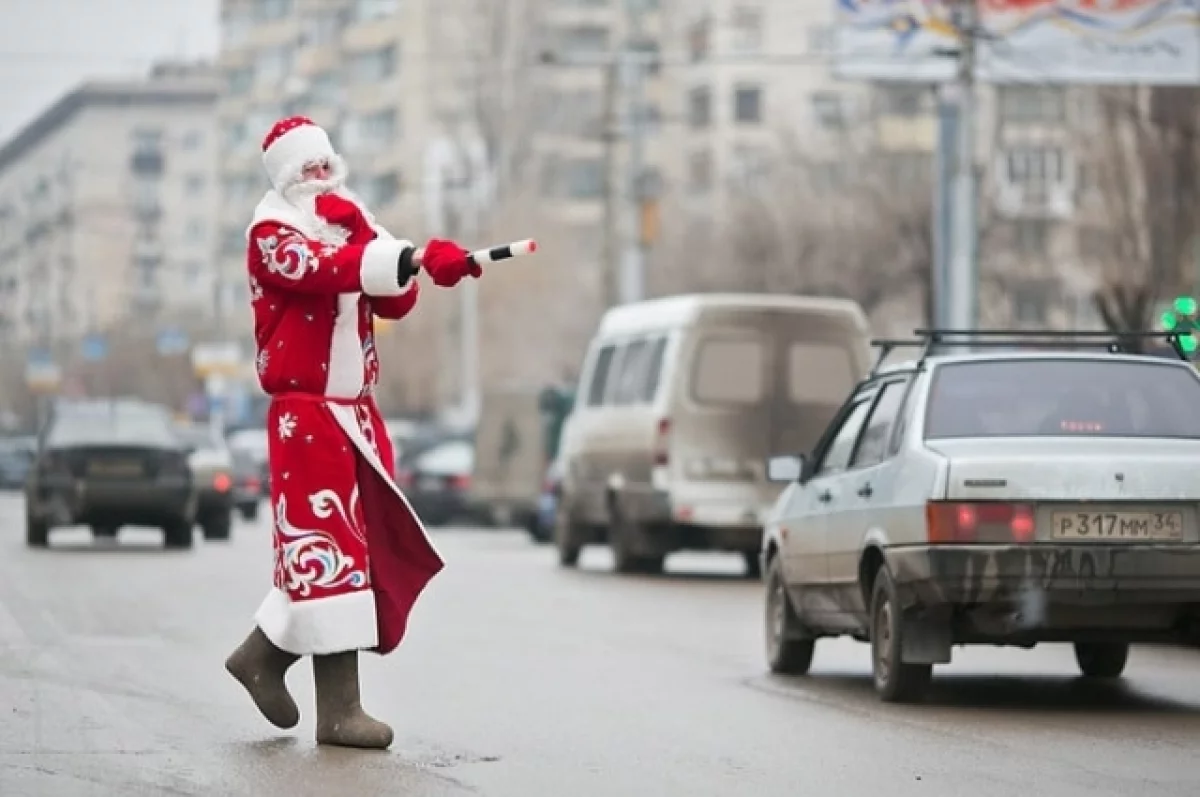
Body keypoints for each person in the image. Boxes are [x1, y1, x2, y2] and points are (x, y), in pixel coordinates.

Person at [224, 115, 481, 750]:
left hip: (356, 414)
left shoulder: (346, 227)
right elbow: (322, 271)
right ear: (285, 178)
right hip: (305, 415)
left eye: (325, 164)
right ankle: (339, 710)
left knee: (357, 548)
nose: (320, 176)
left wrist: (412, 256)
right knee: (327, 548)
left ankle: (262, 658)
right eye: (305, 168)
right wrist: (390, 252)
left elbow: (392, 299)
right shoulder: (272, 233)